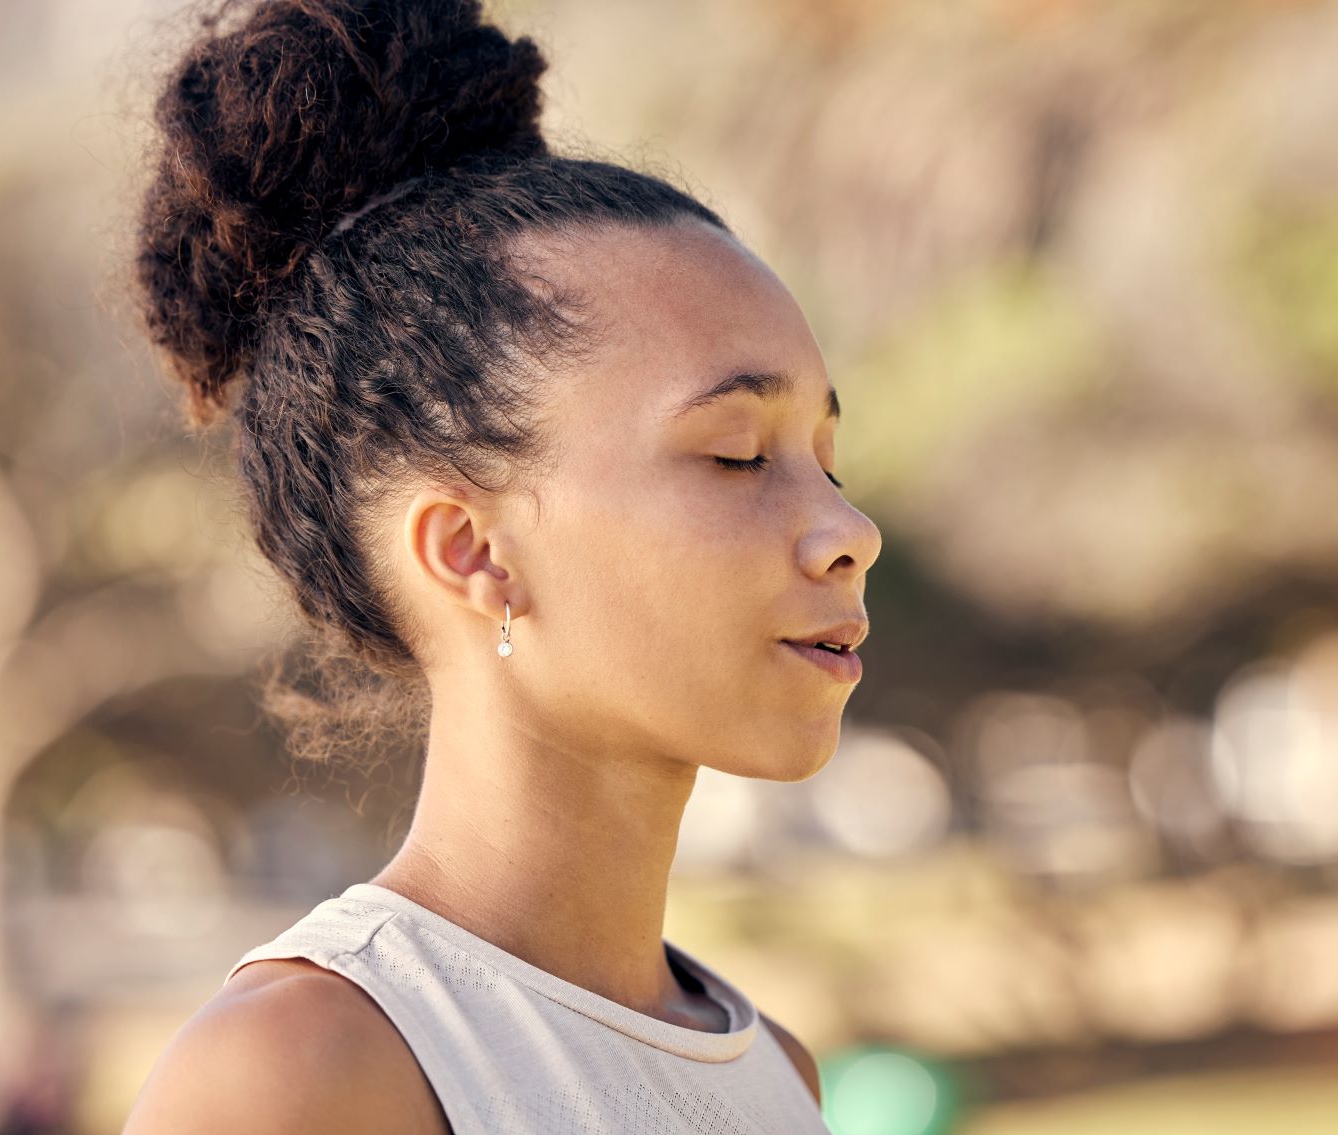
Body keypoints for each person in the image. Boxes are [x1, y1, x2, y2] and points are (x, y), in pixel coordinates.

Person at [119, 0, 880, 1131]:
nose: (846, 529)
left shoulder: (776, 1069)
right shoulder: (303, 1074)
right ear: (473, 550)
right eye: (735, 454)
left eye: (824, 457)